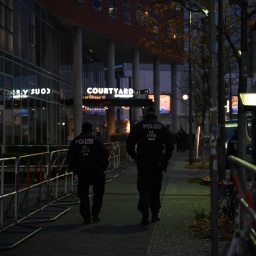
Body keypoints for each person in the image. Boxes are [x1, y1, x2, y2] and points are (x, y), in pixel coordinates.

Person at [126, 107, 173, 225]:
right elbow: (170, 146)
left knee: (144, 188)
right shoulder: (162, 127)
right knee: (156, 188)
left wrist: (135, 157)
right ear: (155, 115)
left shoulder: (139, 126)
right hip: (157, 162)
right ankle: (155, 213)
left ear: (146, 115)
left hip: (143, 162)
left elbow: (129, 145)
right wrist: (164, 159)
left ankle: (144, 210)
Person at [67, 122, 109, 224]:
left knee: (83, 195)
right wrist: (101, 168)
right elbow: (104, 155)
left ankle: (86, 217)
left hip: (82, 173)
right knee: (98, 193)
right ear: (91, 129)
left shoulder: (76, 141)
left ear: (82, 129)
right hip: (96, 171)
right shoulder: (97, 140)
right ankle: (95, 214)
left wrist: (76, 170)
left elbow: (70, 158)